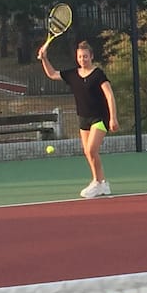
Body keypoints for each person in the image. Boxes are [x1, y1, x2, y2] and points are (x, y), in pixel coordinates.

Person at [38, 40, 119, 198]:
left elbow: (109, 95)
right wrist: (44, 59)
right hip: (83, 118)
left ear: (91, 56)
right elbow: (52, 74)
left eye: (85, 56)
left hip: (100, 117)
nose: (83, 59)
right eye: (80, 57)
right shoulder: (73, 74)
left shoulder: (98, 74)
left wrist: (113, 118)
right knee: (88, 153)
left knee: (91, 150)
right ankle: (102, 183)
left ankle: (97, 182)